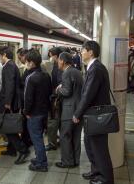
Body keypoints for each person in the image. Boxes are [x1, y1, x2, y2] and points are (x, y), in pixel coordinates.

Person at [73, 41, 114, 184]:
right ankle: (96, 171)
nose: (81, 53)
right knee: (91, 145)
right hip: (92, 116)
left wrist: (77, 114)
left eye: (83, 50)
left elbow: (88, 95)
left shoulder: (96, 69)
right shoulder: (94, 67)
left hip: (97, 117)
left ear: (90, 52)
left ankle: (106, 179)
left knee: (100, 149)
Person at [0, 47, 30, 164]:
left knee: (9, 128)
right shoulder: (11, 65)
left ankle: (23, 150)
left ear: (4, 55)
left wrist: (7, 103)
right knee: (9, 126)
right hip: (11, 101)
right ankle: (11, 149)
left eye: (0, 55)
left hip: (10, 103)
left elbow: (10, 85)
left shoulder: (9, 66)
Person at [23, 50, 52, 172]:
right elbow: (49, 93)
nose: (26, 64)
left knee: (36, 138)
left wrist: (26, 112)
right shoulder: (46, 75)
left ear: (32, 63)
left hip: (34, 113)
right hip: (44, 111)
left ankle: (41, 163)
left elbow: (28, 98)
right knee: (39, 136)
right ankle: (40, 157)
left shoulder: (31, 77)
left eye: (27, 62)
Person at [55, 52, 84, 168]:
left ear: (63, 61)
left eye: (58, 60)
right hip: (78, 109)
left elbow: (67, 92)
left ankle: (67, 161)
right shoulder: (77, 71)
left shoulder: (66, 73)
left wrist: (58, 89)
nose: (57, 62)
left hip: (69, 110)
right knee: (76, 136)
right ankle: (76, 160)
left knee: (65, 135)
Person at [46, 47, 63, 151]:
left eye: (51, 55)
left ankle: (52, 143)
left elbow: (59, 83)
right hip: (57, 97)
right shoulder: (57, 66)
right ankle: (59, 140)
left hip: (56, 98)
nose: (50, 57)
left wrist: (55, 94)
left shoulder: (58, 68)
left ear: (55, 56)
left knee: (53, 122)